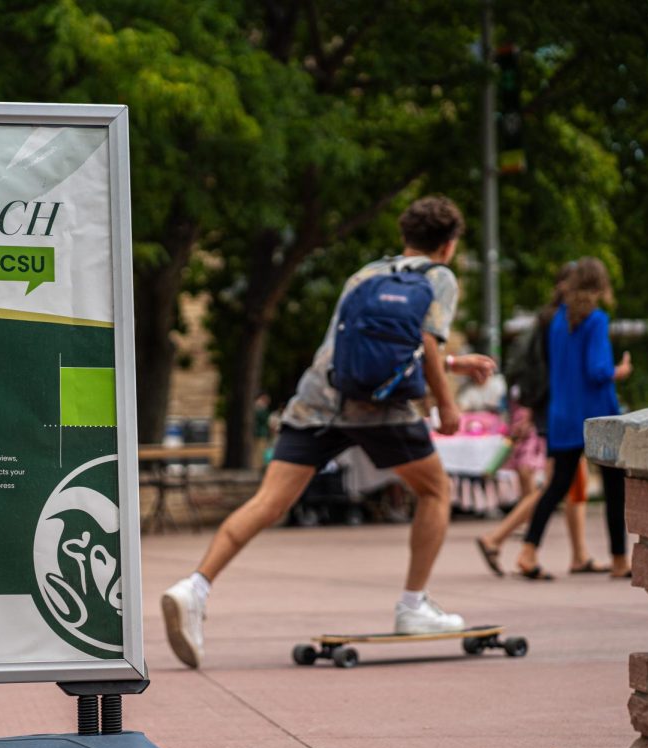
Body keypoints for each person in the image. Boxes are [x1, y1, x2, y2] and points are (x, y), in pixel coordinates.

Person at [160, 196, 496, 668]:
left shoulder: (366, 275)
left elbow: (355, 343)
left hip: (319, 397)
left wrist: (454, 365)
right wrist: (447, 404)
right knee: (436, 490)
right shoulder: (438, 278)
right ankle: (413, 605)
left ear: (405, 236)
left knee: (267, 503)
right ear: (448, 244)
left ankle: (193, 587)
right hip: (380, 408)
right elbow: (423, 342)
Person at [476, 265, 605, 577]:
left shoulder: (552, 317)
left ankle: (579, 555)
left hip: (550, 407)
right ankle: (497, 538)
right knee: (555, 484)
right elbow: (553, 371)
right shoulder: (559, 319)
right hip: (555, 409)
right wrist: (533, 411)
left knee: (574, 481)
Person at [514, 257, 632, 580]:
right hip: (597, 416)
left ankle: (527, 551)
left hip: (562, 414)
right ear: (600, 285)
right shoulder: (595, 320)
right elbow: (597, 371)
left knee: (555, 487)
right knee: (613, 488)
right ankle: (620, 560)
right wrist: (618, 371)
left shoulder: (559, 320)